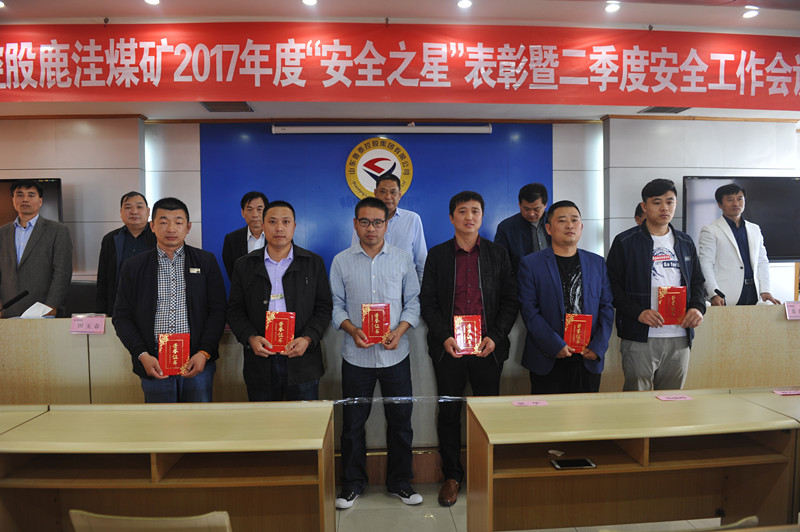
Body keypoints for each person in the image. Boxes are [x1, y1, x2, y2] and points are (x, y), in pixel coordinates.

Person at [420, 191, 518, 507]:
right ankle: (452, 476)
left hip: (487, 347)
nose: (469, 217)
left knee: (487, 412)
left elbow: (510, 300)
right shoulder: (437, 255)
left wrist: (496, 336)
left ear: (482, 216)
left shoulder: (497, 254)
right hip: (449, 348)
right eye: (462, 211)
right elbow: (427, 302)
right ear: (452, 218)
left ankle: (485, 470)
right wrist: (443, 336)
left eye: (475, 211)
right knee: (449, 412)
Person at [330, 196, 422, 510]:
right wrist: (351, 329)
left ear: (386, 225)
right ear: (355, 224)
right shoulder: (341, 261)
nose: (371, 228)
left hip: (395, 355)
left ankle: (401, 482)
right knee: (353, 424)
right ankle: (352, 484)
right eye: (365, 222)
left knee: (401, 422)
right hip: (356, 357)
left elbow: (413, 302)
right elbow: (335, 306)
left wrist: (401, 330)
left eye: (378, 222)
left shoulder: (402, 259)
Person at [112, 197, 226, 403]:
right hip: (154, 361)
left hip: (196, 361)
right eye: (163, 222)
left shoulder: (206, 261)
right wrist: (142, 354)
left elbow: (218, 311)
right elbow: (121, 316)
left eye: (178, 222)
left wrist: (204, 352)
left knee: (198, 419)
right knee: (160, 422)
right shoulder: (134, 266)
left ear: (188, 227)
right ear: (152, 226)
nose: (171, 228)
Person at [227, 200, 332, 401]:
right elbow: (234, 310)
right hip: (260, 359)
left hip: (302, 360)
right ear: (263, 225)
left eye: (286, 222)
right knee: (264, 419)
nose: (279, 228)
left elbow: (324, 307)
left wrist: (308, 338)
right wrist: (250, 337)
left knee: (303, 420)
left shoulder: (313, 263)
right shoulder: (245, 264)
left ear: (294, 226)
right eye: (273, 222)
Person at [606, 179, 705, 392]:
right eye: (657, 202)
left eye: (670, 202)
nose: (664, 208)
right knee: (637, 400)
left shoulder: (686, 242)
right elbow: (611, 286)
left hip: (680, 335)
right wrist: (638, 312)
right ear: (644, 206)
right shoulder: (625, 242)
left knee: (671, 400)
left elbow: (698, 281)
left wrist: (698, 307)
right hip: (640, 335)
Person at [517, 200, 614, 394]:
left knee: (586, 412)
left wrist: (598, 345)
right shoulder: (531, 264)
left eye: (574, 220)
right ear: (548, 228)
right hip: (548, 356)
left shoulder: (597, 263)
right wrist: (554, 345)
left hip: (587, 355)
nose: (569, 225)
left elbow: (606, 307)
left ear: (581, 227)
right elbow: (529, 311)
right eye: (562, 220)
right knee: (548, 413)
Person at [0, 179, 72, 318]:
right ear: (13, 200)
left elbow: (63, 272)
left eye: (31, 195)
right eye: (20, 195)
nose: (25, 199)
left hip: (43, 310)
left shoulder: (58, 230)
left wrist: (51, 305)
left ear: (40, 201)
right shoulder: (2, 232)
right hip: (7, 310)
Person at [698, 184, 780, 306]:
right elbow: (706, 264)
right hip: (725, 294)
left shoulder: (755, 229)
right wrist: (714, 293)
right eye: (730, 200)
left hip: (754, 292)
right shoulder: (710, 230)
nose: (736, 203)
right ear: (720, 204)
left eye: (740, 199)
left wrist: (765, 290)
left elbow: (762, 261)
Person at [350, 174, 427, 282]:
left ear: (399, 195)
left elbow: (421, 259)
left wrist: (421, 287)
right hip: (372, 283)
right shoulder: (364, 221)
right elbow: (355, 255)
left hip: (406, 284)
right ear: (375, 193)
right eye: (383, 192)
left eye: (393, 192)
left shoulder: (412, 219)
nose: (388, 197)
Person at [95, 191, 157, 315]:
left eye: (139, 207)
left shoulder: (160, 237)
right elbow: (103, 279)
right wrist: (101, 312)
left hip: (154, 307)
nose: (134, 211)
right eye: (128, 207)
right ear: (121, 212)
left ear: (148, 211)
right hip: (120, 307)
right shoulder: (110, 239)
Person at [494, 183, 550, 273]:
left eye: (536, 209)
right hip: (521, 279)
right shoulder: (506, 227)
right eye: (526, 209)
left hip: (553, 279)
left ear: (545, 205)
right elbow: (500, 263)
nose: (531, 214)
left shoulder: (555, 222)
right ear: (519, 204)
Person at [222, 191, 269, 280]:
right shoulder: (231, 240)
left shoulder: (278, 237)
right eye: (249, 209)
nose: (255, 214)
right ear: (243, 212)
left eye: (259, 209)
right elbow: (233, 274)